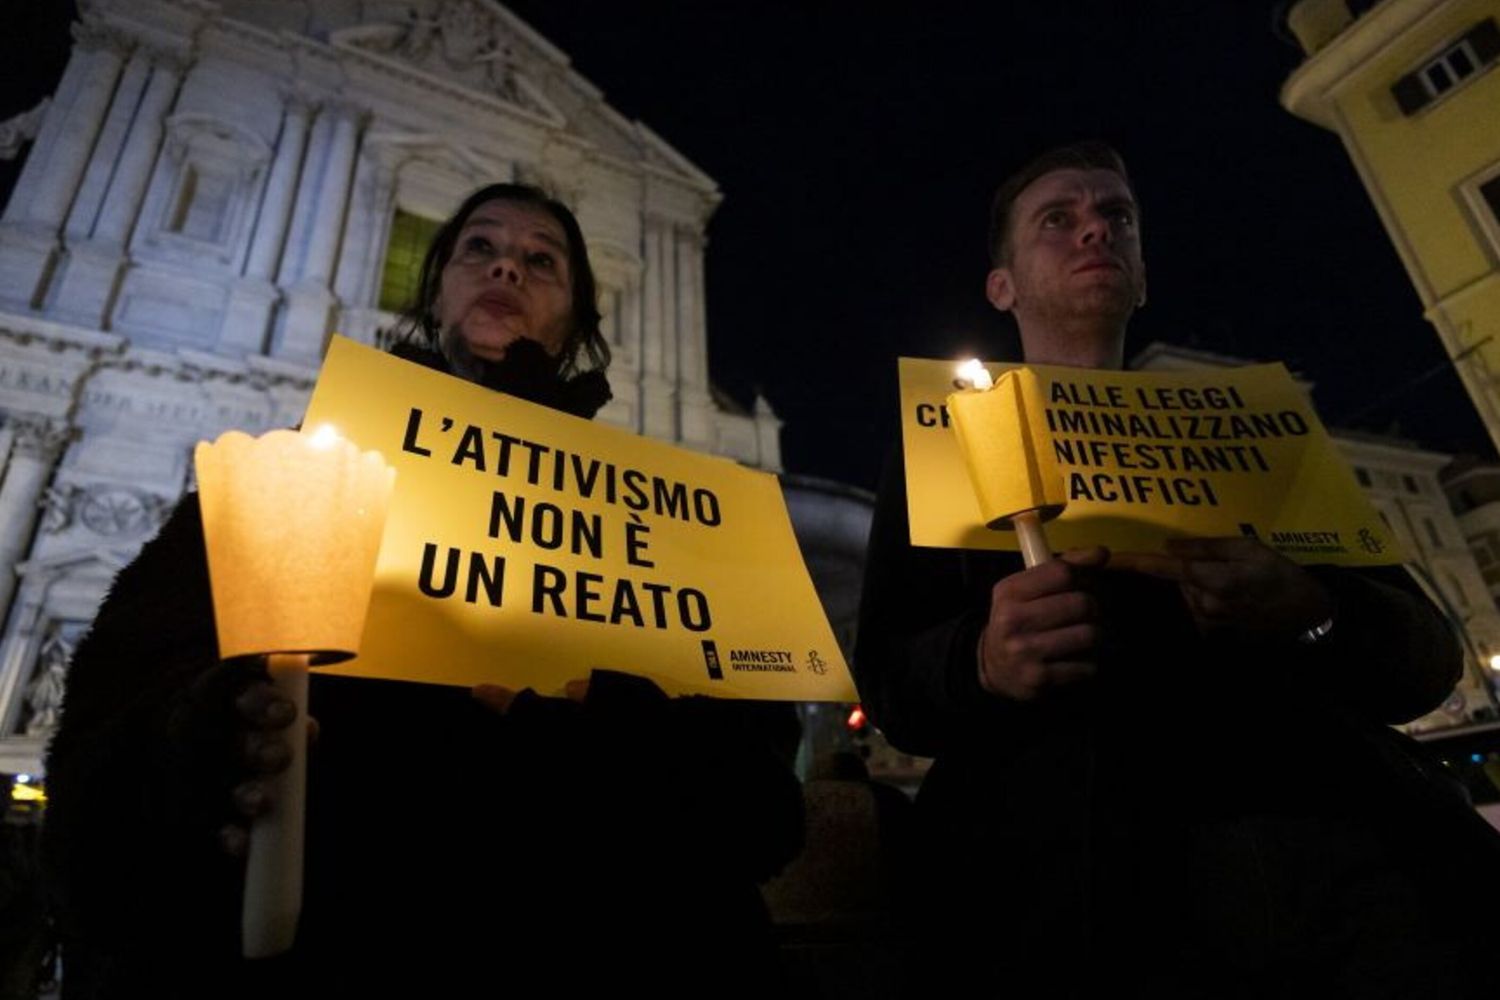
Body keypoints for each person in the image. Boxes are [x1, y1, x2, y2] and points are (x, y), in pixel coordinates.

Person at [44, 183, 803, 999]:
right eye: (479, 247)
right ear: (436, 291)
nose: (507, 267)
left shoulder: (658, 513)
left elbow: (765, 814)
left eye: (541, 260)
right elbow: (113, 747)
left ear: (580, 321)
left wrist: (631, 732)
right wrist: (207, 736)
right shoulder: (299, 469)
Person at [854, 142, 1500, 997]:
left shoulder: (1263, 441)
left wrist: (1311, 607)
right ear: (1001, 286)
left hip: (1346, 861)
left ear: (1144, 275)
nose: (1095, 230)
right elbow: (891, 687)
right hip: (1078, 900)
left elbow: (1425, 661)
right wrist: (981, 659)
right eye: (1058, 219)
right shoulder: (942, 447)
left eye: (1116, 215)